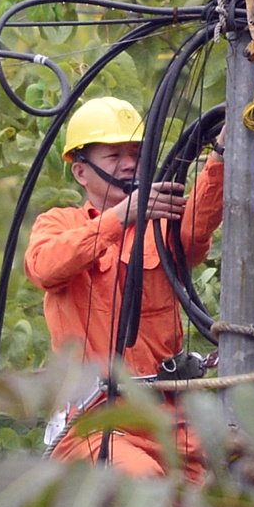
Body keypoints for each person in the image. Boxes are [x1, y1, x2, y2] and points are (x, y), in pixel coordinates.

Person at [23, 97, 224, 476]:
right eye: (115, 155)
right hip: (99, 423)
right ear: (81, 173)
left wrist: (225, 152)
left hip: (170, 423)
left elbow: (198, 220)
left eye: (135, 152)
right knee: (146, 487)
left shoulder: (160, 224)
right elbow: (44, 267)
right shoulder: (60, 223)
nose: (130, 163)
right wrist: (117, 219)